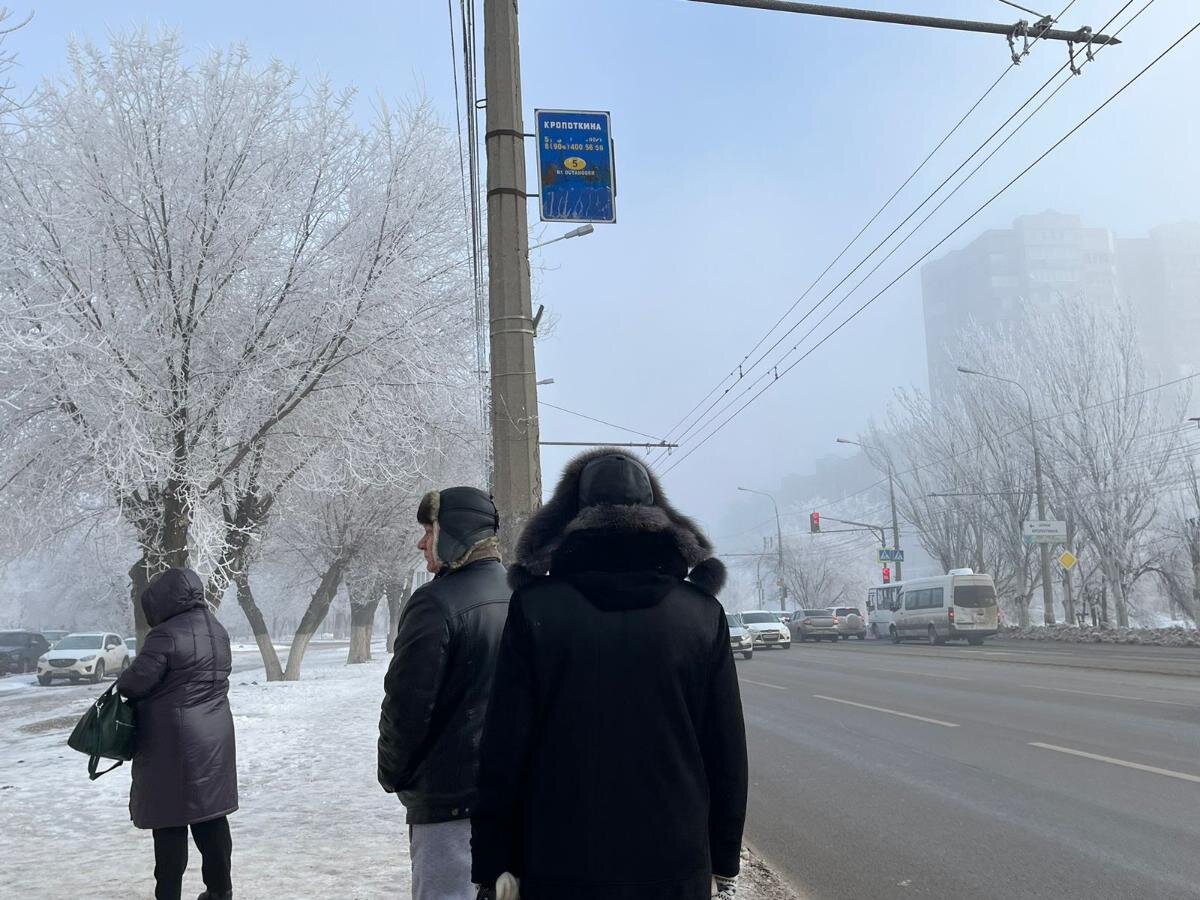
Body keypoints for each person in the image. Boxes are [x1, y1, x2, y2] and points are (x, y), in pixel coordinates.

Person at [471, 449, 748, 900]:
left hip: (559, 860)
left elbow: (504, 746)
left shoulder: (536, 608)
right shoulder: (700, 613)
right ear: (659, 518)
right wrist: (723, 858)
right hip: (674, 861)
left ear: (571, 518)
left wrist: (495, 859)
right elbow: (725, 751)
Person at [378, 486, 511, 900]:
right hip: (514, 800)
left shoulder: (434, 603)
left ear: (454, 530)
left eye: (428, 530)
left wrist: (393, 774)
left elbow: (405, 710)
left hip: (449, 804)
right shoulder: (524, 595)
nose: (421, 543)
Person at [116, 567, 238, 900]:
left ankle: (168, 894)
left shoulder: (166, 634)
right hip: (214, 737)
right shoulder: (217, 630)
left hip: (171, 742)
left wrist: (126, 675)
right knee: (210, 815)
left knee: (169, 819)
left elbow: (133, 683)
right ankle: (220, 892)